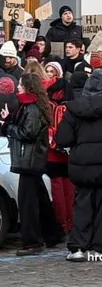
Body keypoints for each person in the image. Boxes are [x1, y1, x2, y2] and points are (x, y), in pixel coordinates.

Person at [0, 74, 64, 255]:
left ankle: (33, 242)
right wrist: (9, 121)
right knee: (40, 199)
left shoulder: (32, 108)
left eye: (20, 84)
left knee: (28, 203)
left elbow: (28, 133)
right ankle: (53, 234)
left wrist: (7, 127)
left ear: (28, 87)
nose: (17, 87)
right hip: (31, 160)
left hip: (30, 160)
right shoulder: (27, 106)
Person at [56, 68, 102, 261]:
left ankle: (77, 248)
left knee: (82, 203)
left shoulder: (74, 109)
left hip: (80, 163)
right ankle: (99, 248)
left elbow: (62, 138)